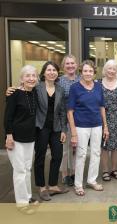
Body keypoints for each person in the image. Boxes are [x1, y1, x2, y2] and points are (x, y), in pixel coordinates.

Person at [68, 60, 109, 196]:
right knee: (81, 155)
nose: (88, 73)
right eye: (85, 71)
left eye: (90, 71)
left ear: (94, 73)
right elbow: (70, 111)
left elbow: (102, 107)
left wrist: (105, 127)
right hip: (81, 127)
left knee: (96, 153)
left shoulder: (98, 86)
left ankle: (92, 180)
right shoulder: (75, 88)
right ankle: (78, 184)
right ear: (81, 72)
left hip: (97, 125)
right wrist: (73, 132)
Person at [4, 65, 39, 214]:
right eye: (27, 76)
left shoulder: (35, 93)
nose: (31, 78)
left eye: (33, 76)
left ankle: (28, 197)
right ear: (21, 79)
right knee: (19, 171)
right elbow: (8, 118)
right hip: (16, 138)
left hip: (30, 138)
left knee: (27, 169)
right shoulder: (14, 94)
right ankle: (22, 203)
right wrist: (9, 136)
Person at [34, 61, 68, 201]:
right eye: (49, 70)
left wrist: (63, 130)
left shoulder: (60, 89)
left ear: (57, 73)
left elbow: (62, 111)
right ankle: (42, 187)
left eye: (54, 70)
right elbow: (23, 93)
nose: (51, 72)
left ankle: (53, 185)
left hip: (56, 128)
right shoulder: (37, 88)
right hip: (40, 127)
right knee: (40, 157)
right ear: (44, 73)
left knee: (58, 156)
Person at [100, 59, 117, 181]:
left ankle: (114, 169)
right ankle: (105, 170)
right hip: (102, 118)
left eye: (114, 69)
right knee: (104, 146)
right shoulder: (98, 83)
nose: (111, 71)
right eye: (109, 68)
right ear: (105, 70)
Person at [59, 54, 80, 187]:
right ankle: (64, 174)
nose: (70, 65)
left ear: (76, 65)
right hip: (63, 119)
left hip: (79, 119)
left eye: (72, 63)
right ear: (63, 66)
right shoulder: (59, 81)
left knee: (76, 149)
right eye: (67, 63)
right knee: (64, 149)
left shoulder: (81, 79)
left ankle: (74, 173)